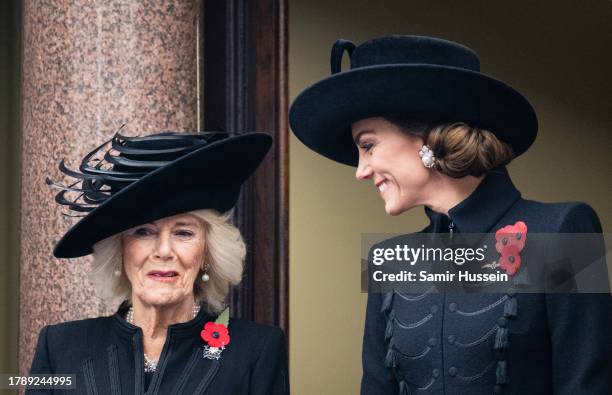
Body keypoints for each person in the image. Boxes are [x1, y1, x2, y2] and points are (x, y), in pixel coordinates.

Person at [289, 36, 610, 394]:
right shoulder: (389, 260)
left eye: (368, 146)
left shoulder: (562, 230)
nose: (361, 170)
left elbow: (586, 385)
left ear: (429, 138)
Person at [28, 131, 289, 394]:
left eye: (183, 233)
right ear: (119, 250)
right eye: (143, 232)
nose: (164, 251)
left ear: (208, 253)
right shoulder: (58, 346)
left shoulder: (258, 350)